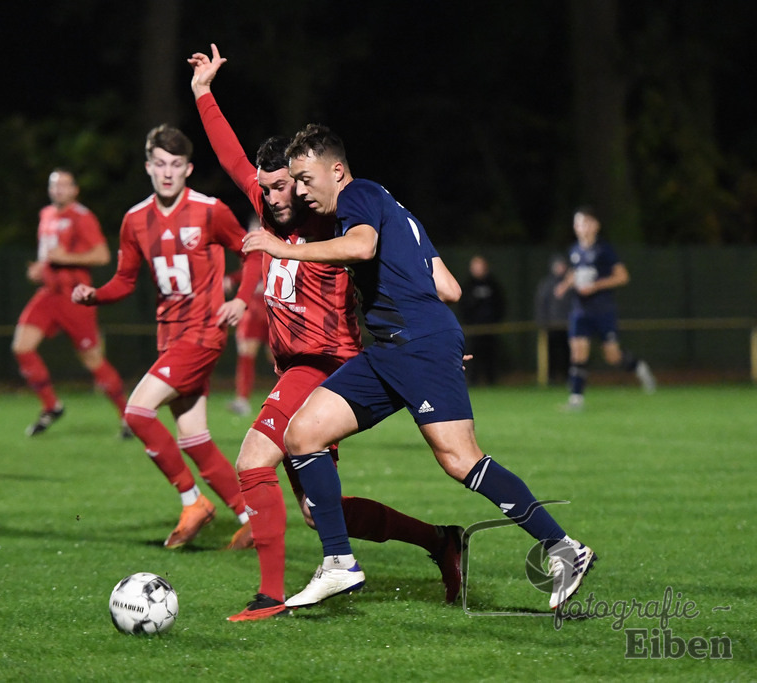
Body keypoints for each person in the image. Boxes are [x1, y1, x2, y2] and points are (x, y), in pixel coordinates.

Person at [242, 123, 596, 613]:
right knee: (302, 435)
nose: (300, 191)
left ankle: (563, 548)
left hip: (415, 346)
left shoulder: (357, 196)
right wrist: (443, 340)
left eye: (305, 178)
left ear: (336, 171)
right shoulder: (394, 207)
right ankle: (340, 562)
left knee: (461, 459)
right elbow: (448, 287)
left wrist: (287, 249)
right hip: (397, 350)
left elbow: (363, 247)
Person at [190, 45, 464, 621]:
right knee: (321, 510)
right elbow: (231, 154)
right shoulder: (270, 207)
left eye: (280, 186)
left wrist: (433, 341)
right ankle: (441, 541)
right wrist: (203, 93)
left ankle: (270, 597)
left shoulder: (332, 216)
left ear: (301, 180)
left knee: (252, 461)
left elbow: (393, 256)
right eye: (262, 189)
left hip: (327, 363)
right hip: (295, 367)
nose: (269, 197)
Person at [73, 124, 262, 549]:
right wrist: (94, 296)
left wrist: (243, 300)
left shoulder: (210, 210)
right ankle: (251, 518)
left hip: (202, 333)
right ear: (148, 167)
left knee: (138, 413)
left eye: (176, 165)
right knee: (194, 437)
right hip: (170, 337)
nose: (167, 173)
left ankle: (193, 501)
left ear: (188, 169)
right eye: (160, 164)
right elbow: (124, 280)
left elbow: (253, 250)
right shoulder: (135, 220)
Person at [12, 168, 129, 437]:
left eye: (64, 185)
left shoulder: (82, 217)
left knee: (92, 360)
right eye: (54, 185)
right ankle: (51, 406)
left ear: (75, 190)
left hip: (75, 296)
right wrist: (39, 270)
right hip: (49, 293)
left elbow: (101, 256)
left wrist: (67, 259)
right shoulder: (46, 215)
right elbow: (48, 256)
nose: (58, 190)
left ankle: (127, 415)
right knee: (22, 346)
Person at [554, 207, 656, 410]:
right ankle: (576, 398)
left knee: (612, 356)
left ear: (595, 225)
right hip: (580, 310)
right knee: (578, 351)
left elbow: (622, 277)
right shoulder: (574, 250)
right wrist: (565, 285)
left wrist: (596, 286)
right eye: (579, 223)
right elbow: (576, 273)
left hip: (602, 309)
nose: (582, 227)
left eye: (586, 222)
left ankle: (639, 368)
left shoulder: (604, 250)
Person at [223, 221, 272, 417]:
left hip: (272, 309)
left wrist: (232, 278)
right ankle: (242, 400)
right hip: (255, 310)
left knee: (280, 358)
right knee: (246, 353)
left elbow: (257, 270)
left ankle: (295, 399)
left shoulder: (277, 246)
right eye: (252, 230)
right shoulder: (248, 252)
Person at [460, 254, 505, 385]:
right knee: (472, 357)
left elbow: (500, 304)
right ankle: (472, 382)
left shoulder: (493, 285)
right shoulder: (467, 286)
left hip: (490, 329)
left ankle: (492, 381)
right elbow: (463, 306)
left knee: (490, 357)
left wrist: (495, 321)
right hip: (473, 330)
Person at [534, 254, 572, 385]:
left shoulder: (571, 283)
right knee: (552, 353)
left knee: (569, 352)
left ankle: (569, 376)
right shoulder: (546, 284)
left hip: (568, 324)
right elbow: (541, 303)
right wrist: (542, 321)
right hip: (552, 325)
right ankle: (551, 377)